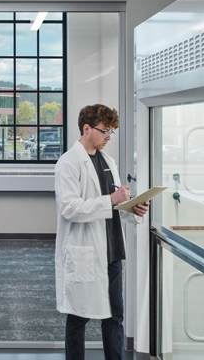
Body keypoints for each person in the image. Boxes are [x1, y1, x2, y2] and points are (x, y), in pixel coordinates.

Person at [54, 104, 150, 360]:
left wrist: (133, 209)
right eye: (105, 131)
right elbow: (69, 208)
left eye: (111, 132)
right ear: (87, 128)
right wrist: (111, 199)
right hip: (85, 253)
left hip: (112, 252)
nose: (109, 137)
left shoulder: (108, 161)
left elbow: (114, 204)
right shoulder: (69, 163)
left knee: (114, 317)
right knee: (79, 318)